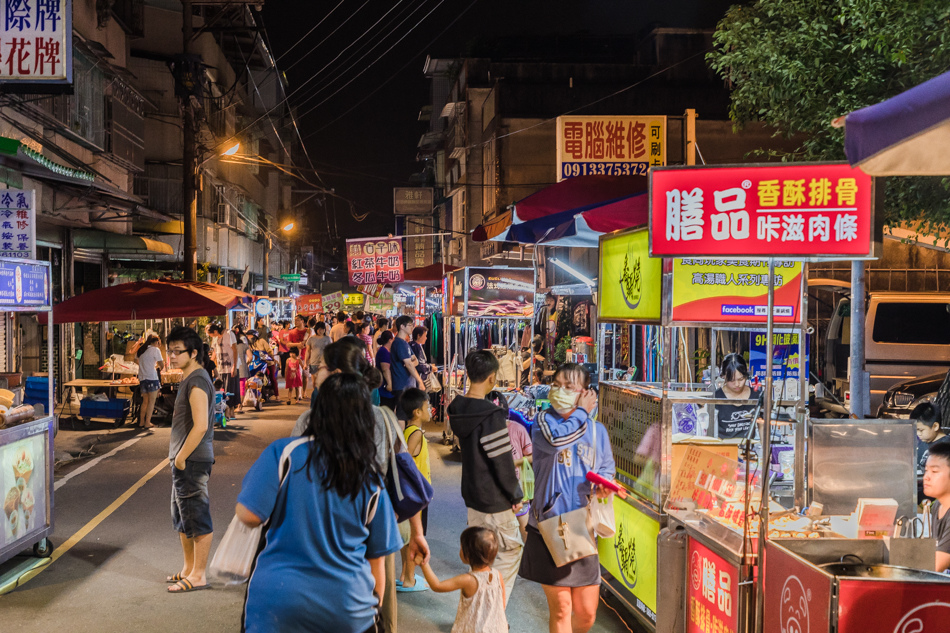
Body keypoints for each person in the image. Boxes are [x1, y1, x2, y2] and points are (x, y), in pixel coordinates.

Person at [237, 373, 403, 632]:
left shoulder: (284, 453)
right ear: (363, 420)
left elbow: (248, 515)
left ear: (317, 410)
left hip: (277, 604)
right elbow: (377, 564)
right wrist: (371, 611)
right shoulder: (370, 479)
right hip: (348, 608)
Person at [291, 338, 431, 633]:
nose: (315, 372)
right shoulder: (385, 419)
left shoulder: (308, 422)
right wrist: (416, 533)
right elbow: (404, 479)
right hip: (376, 533)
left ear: (337, 373)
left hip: (320, 534)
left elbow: (293, 484)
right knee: (377, 611)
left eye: (322, 367)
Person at [519, 363, 617, 633]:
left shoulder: (597, 431)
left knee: (586, 613)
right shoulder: (543, 422)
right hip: (549, 526)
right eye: (556, 385)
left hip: (581, 529)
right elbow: (557, 441)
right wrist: (583, 413)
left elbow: (607, 469)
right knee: (561, 608)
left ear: (584, 393)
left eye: (568, 387)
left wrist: (604, 485)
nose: (559, 391)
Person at [447, 350, 524, 603]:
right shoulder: (490, 416)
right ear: (492, 378)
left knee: (480, 561)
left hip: (473, 497)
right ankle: (491, 617)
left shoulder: (458, 409)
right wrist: (516, 495)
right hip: (494, 500)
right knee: (509, 554)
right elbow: (501, 463)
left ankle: (476, 615)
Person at [164, 326, 215, 594]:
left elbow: (201, 425)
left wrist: (181, 457)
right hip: (183, 459)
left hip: (192, 460)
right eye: (169, 350)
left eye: (177, 351)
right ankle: (188, 569)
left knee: (196, 516)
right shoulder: (191, 377)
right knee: (183, 517)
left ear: (193, 352)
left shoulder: (196, 380)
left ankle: (198, 575)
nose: (171, 356)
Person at [418, 527, 508, 633]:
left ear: (468, 555)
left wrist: (423, 564)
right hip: (498, 628)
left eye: (461, 547)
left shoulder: (468, 580)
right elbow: (501, 605)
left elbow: (437, 586)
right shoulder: (498, 575)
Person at [396, 388, 432, 592]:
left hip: (410, 492)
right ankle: (409, 579)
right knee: (412, 538)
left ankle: (405, 574)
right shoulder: (416, 434)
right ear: (417, 412)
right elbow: (406, 461)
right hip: (416, 493)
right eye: (427, 407)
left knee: (407, 537)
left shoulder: (407, 431)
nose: (430, 410)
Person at [714, 353, 759, 439]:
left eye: (741, 379)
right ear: (723, 377)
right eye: (731, 380)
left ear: (746, 376)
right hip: (724, 449)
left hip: (748, 449)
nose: (737, 384)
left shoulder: (756, 396)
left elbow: (762, 426)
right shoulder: (716, 398)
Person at [922, 441, 950, 572]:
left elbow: (935, 567)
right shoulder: (937, 505)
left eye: (934, 471)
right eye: (926, 470)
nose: (926, 477)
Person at [207, 322, 238, 417]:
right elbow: (215, 352)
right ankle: (224, 411)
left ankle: (231, 410)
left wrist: (234, 366)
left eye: (210, 334)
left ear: (215, 331)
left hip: (230, 366)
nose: (211, 336)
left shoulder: (229, 334)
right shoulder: (215, 338)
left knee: (230, 389)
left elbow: (235, 350)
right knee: (221, 389)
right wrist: (211, 363)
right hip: (221, 367)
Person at [392, 315, 425, 405]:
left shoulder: (404, 343)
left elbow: (415, 361)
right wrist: (419, 381)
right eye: (410, 325)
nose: (412, 327)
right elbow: (409, 364)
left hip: (407, 385)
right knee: (402, 415)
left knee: (406, 414)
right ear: (402, 326)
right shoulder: (399, 343)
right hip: (402, 385)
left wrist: (409, 363)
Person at [136, 335, 164, 430]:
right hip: (152, 377)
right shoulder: (155, 350)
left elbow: (136, 360)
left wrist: (145, 365)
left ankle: (141, 422)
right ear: (156, 342)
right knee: (151, 402)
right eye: (158, 343)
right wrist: (158, 367)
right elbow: (161, 365)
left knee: (145, 402)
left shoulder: (142, 349)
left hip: (142, 378)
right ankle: (147, 422)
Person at [304, 321, 332, 389]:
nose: (321, 331)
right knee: (315, 382)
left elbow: (331, 351)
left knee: (324, 381)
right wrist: (305, 363)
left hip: (324, 363)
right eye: (319, 329)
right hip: (314, 363)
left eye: (322, 329)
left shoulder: (328, 339)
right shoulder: (311, 339)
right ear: (316, 329)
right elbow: (307, 351)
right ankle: (316, 396)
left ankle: (322, 396)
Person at [376, 331, 397, 410]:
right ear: (390, 340)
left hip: (386, 388)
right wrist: (389, 384)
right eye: (393, 338)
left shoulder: (386, 351)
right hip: (385, 389)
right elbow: (385, 369)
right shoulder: (384, 351)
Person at [233, 325, 250, 414]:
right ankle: (240, 406)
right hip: (242, 368)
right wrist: (245, 364)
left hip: (233, 368)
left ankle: (233, 406)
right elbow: (250, 357)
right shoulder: (244, 345)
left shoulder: (231, 346)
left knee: (233, 387)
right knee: (242, 387)